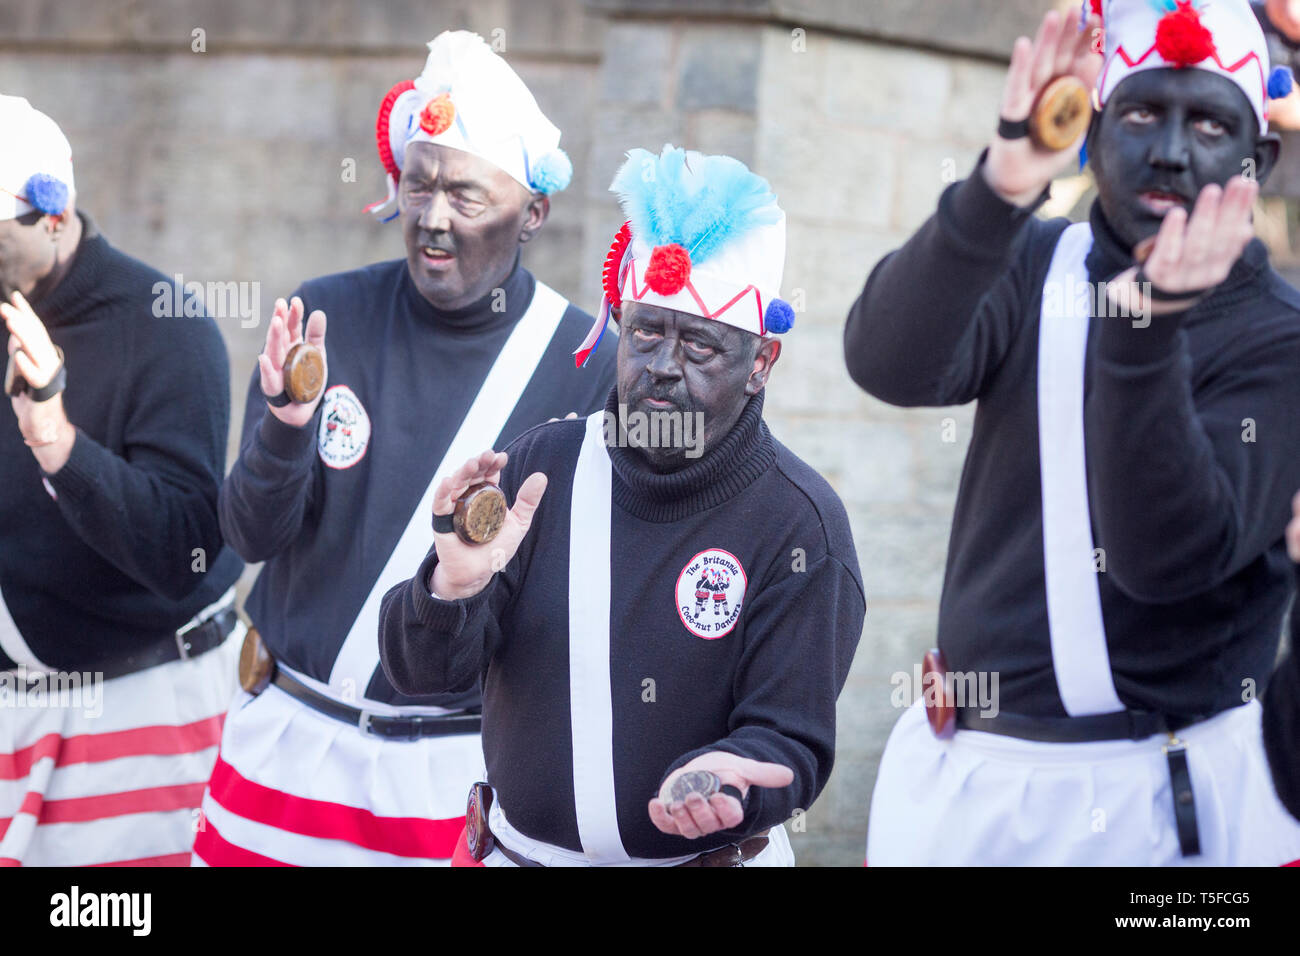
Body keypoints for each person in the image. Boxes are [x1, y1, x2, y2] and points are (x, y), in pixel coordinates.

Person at [846, 0, 1300, 865]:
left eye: (1208, 121)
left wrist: (1143, 332)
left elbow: (1164, 556)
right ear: (1091, 129)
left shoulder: (1280, 339)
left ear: (1259, 157)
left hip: (1167, 802)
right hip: (969, 783)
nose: (1170, 149)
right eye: (1139, 112)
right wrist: (1000, 187)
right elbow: (887, 364)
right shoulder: (1030, 263)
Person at [191, 31, 617, 866]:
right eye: (415, 185)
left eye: (464, 193)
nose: (429, 216)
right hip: (285, 740)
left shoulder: (587, 363)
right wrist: (284, 429)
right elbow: (249, 537)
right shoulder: (326, 318)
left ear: (533, 211)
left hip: (452, 778)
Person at [379, 145, 865, 867]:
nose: (662, 364)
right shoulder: (542, 468)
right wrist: (453, 588)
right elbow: (424, 678)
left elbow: (788, 739)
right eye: (645, 331)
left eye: (700, 344)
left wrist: (729, 780)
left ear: (761, 363)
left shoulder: (800, 525)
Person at [0, 94, 244, 866]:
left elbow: (184, 554)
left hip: (142, 712)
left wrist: (59, 444)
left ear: (52, 216)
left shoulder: (166, 327)